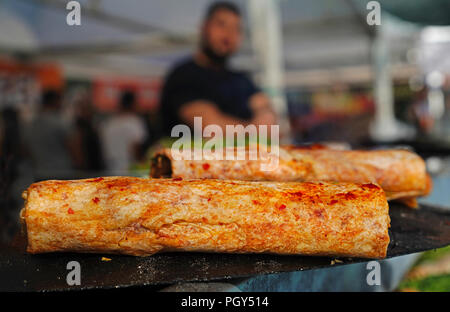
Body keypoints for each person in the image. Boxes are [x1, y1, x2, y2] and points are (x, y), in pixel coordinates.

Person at [160, 1, 276, 136]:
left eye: (236, 29)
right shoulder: (184, 75)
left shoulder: (241, 79)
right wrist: (255, 130)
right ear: (204, 27)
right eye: (221, 25)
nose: (228, 35)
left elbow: (265, 110)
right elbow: (210, 126)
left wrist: (264, 117)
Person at [24, 90, 73, 180]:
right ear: (55, 101)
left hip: (39, 173)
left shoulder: (32, 124)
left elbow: (26, 150)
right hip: (62, 173)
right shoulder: (60, 122)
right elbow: (72, 146)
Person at [101, 91, 147, 175]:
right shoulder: (134, 122)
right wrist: (142, 164)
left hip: (110, 170)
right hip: (130, 171)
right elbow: (136, 147)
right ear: (133, 104)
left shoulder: (109, 123)